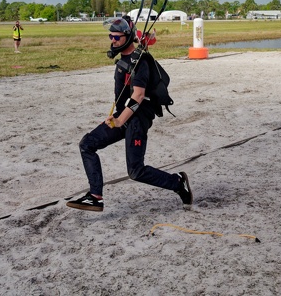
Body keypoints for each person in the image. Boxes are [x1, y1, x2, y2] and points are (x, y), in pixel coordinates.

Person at [66, 17, 192, 213]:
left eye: (116, 37)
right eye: (111, 36)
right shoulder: (127, 60)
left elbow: (139, 95)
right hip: (123, 114)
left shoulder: (140, 61)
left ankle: (178, 182)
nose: (112, 40)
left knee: (135, 171)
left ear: (127, 37)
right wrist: (118, 117)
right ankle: (95, 196)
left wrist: (119, 120)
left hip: (137, 118)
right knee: (87, 144)